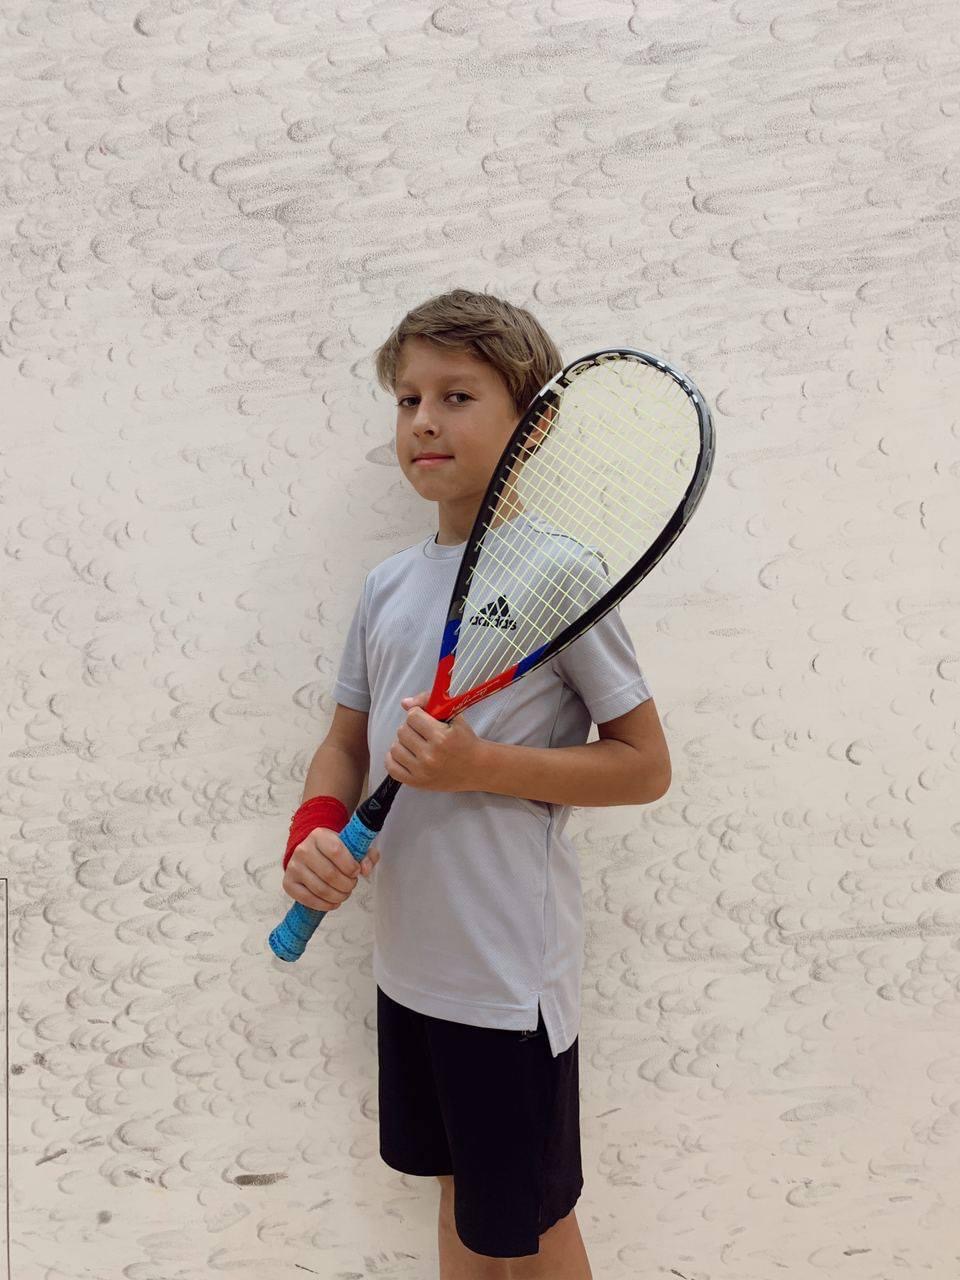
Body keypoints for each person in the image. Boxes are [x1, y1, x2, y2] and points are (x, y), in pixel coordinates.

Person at [280, 288, 672, 1279]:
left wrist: (481, 765)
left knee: (535, 1224)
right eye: (408, 398)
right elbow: (344, 743)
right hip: (409, 969)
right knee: (459, 1196)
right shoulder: (386, 585)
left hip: (506, 982)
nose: (424, 420)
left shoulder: (560, 574)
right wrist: (315, 831)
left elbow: (644, 764)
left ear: (532, 425)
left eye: (457, 396)